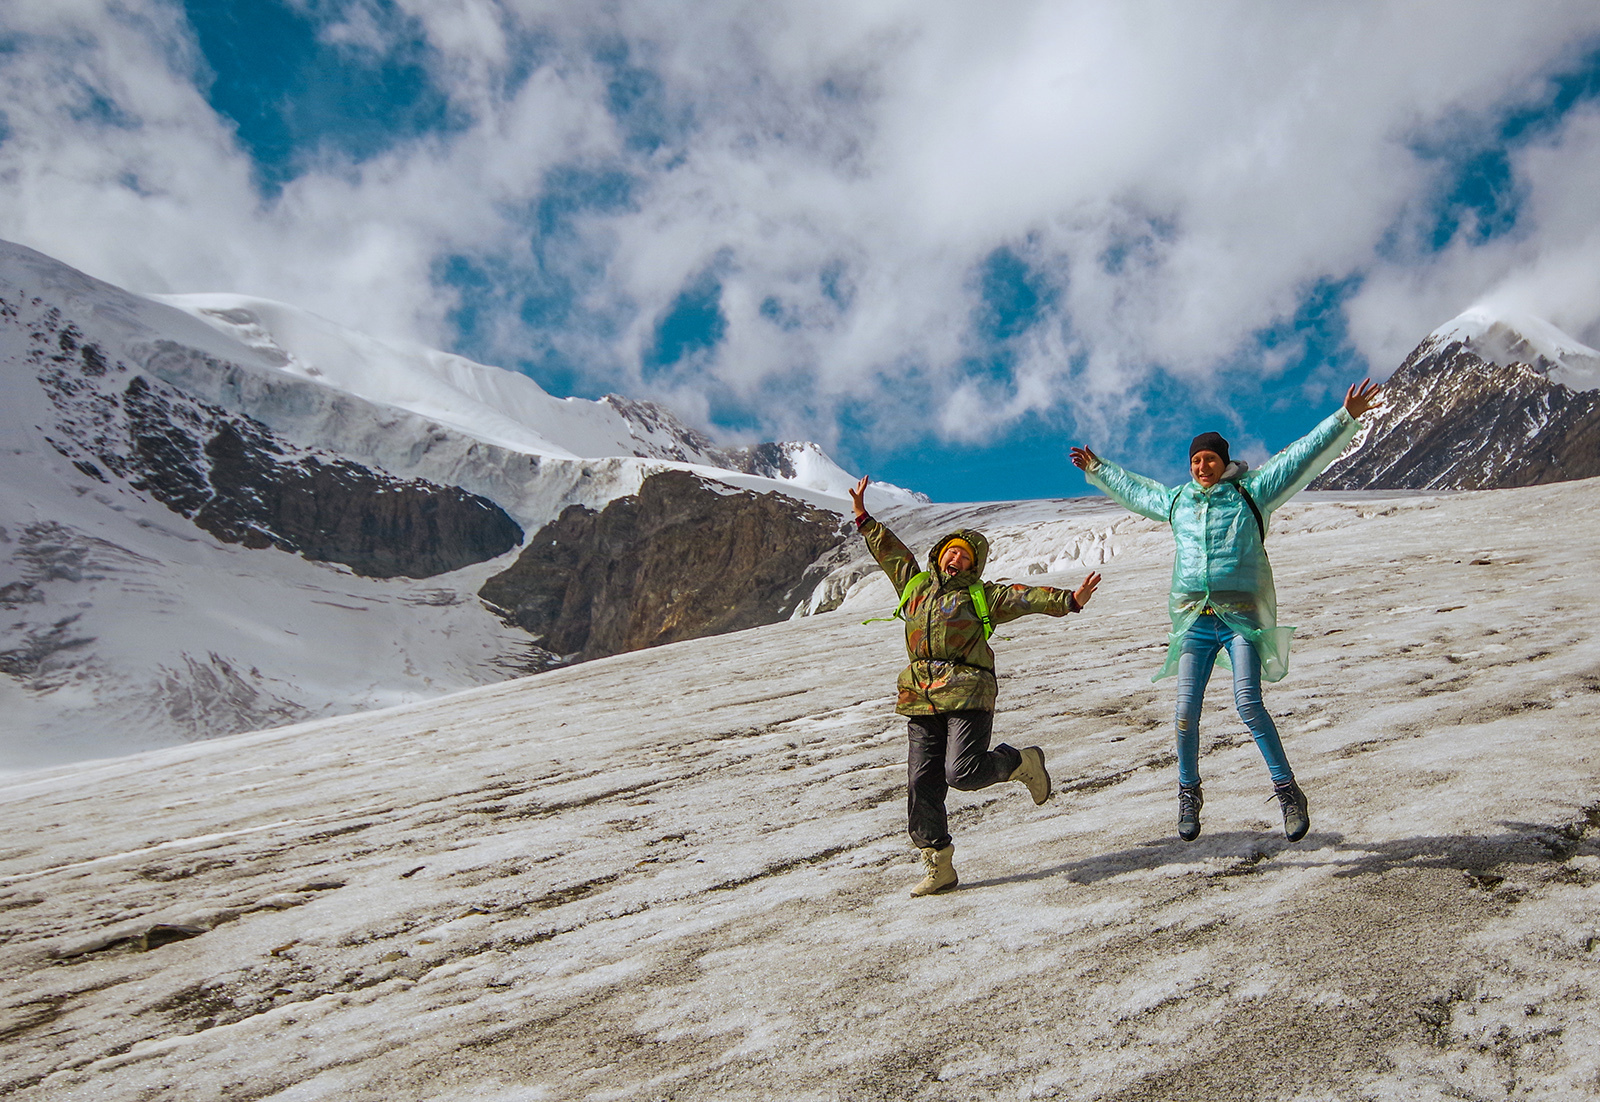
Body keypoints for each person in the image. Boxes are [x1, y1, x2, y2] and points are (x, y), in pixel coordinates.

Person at [1069, 379, 1382, 843]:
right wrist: (1100, 468)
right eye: (1195, 461)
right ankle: (1188, 793)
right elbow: (1138, 491)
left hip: (1241, 620)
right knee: (1184, 712)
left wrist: (1345, 417)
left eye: (1209, 459)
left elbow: (1300, 457)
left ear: (1224, 461)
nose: (1201, 467)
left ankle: (1287, 791)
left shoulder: (1252, 492)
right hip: (1195, 620)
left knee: (1248, 703)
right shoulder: (1178, 502)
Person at [848, 475, 1101, 896]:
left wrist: (1069, 601)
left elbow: (1026, 596)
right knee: (920, 783)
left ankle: (1020, 762)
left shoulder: (982, 596)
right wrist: (862, 515)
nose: (957, 561)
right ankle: (938, 863)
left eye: (965, 558)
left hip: (968, 690)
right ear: (939, 556)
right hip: (920, 695)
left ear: (974, 566)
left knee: (961, 772)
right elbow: (890, 552)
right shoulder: (914, 586)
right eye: (951, 553)